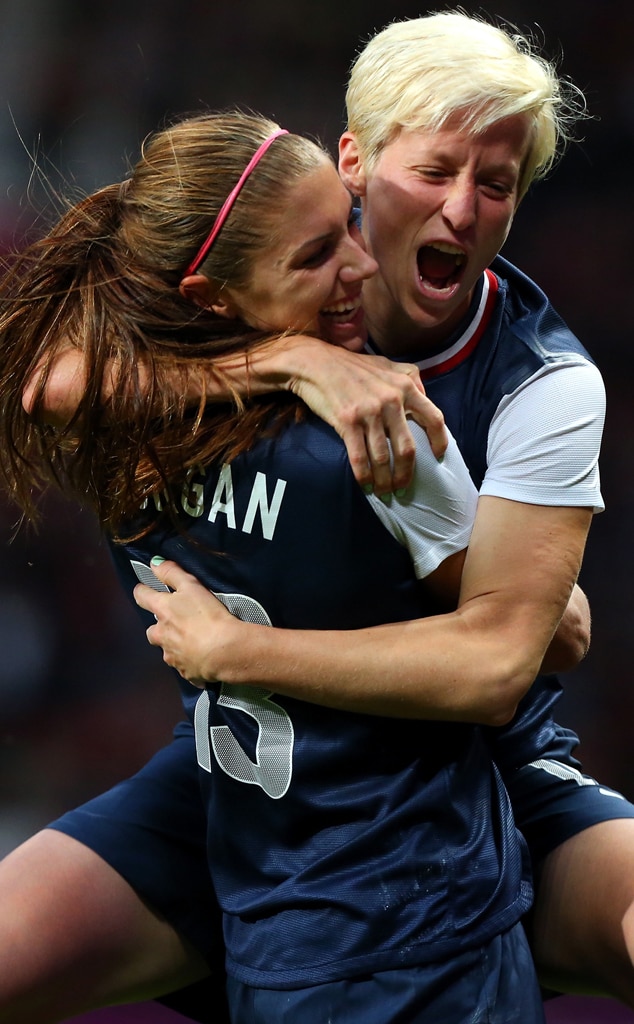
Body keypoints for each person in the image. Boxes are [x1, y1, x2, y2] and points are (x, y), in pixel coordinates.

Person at [130, 9, 634, 1013]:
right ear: (354, 160)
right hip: (257, 766)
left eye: (496, 184)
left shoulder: (545, 380)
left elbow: (503, 661)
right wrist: (293, 358)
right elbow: (54, 376)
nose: (464, 208)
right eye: (435, 170)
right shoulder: (258, 256)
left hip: (480, 767)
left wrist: (238, 651)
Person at [0, 110, 548, 1023]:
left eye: (347, 226)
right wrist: (294, 359)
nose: (364, 266)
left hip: (295, 832)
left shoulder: (121, 413)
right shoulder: (378, 436)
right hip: (338, 868)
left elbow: (50, 386)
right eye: (314, 256)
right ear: (213, 297)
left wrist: (239, 653)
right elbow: (551, 628)